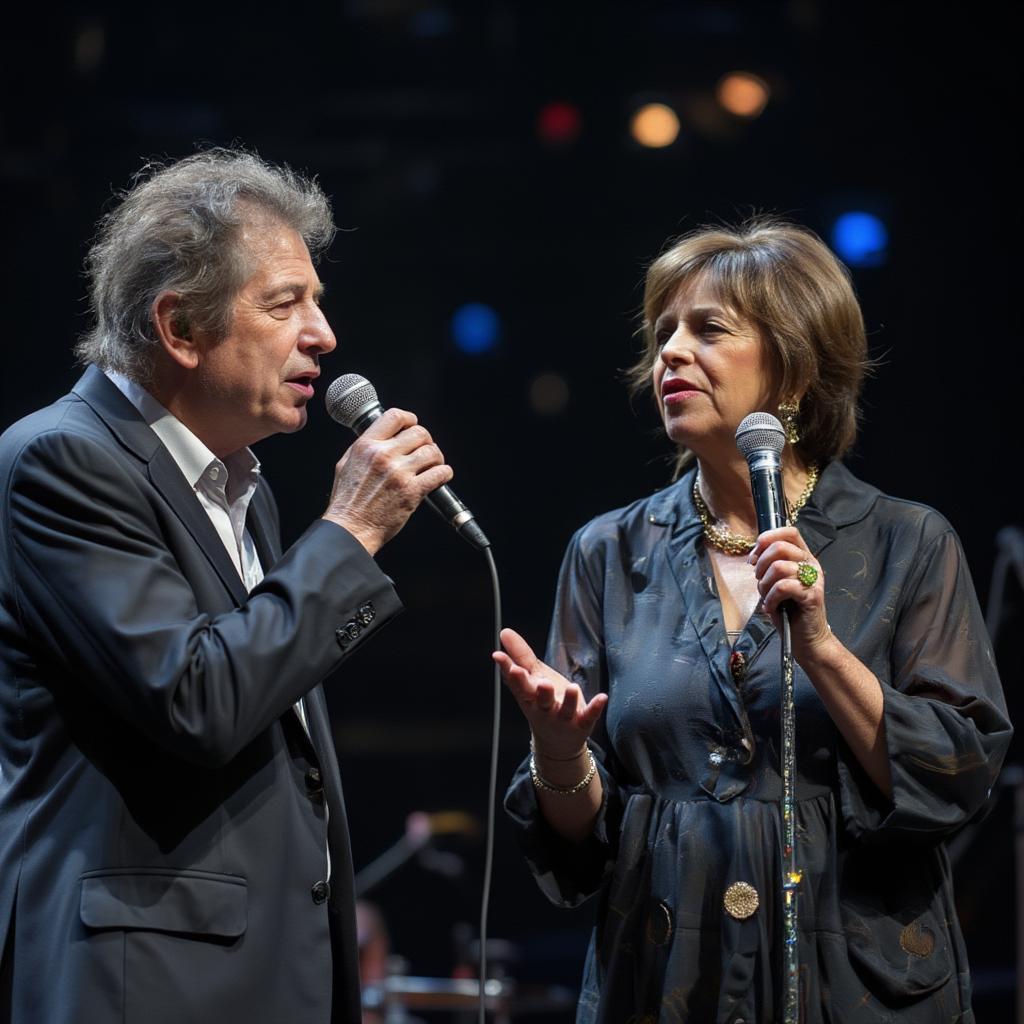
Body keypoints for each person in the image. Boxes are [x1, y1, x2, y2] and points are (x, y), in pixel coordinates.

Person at [493, 218, 1012, 1023]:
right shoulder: (607, 551)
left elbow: (960, 776)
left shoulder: (905, 542)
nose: (670, 352)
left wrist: (824, 650)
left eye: (707, 330)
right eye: (663, 332)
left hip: (858, 984)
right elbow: (576, 845)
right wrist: (562, 757)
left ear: (795, 368)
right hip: (666, 979)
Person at [0, 149, 453, 1024]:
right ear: (179, 327)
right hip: (143, 984)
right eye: (285, 304)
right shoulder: (63, 461)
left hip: (266, 974)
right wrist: (353, 532)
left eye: (316, 302)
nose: (323, 333)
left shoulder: (245, 492)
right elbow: (198, 697)